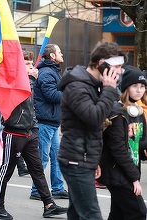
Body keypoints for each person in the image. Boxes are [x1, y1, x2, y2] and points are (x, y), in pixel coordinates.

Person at [0, 50, 68, 220]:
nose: (32, 67)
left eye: (32, 64)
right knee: (6, 170)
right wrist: (31, 78)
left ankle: (48, 204)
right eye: (27, 64)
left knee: (37, 169)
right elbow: (20, 97)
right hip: (14, 131)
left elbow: (32, 106)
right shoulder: (12, 82)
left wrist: (34, 128)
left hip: (29, 131)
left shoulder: (29, 81)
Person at [57, 41, 127, 220]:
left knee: (77, 214)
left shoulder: (92, 84)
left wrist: (94, 160)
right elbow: (94, 118)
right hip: (75, 161)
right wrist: (109, 90)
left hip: (83, 159)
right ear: (101, 63)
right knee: (92, 215)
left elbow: (92, 129)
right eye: (116, 66)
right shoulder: (77, 86)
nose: (119, 71)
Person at [98, 65, 147, 220]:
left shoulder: (139, 113)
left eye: (142, 86)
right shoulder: (118, 113)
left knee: (118, 215)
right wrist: (134, 178)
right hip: (117, 173)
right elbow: (118, 149)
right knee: (138, 212)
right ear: (126, 88)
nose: (139, 90)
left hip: (128, 171)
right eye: (135, 86)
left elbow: (139, 144)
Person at [30, 44, 68, 200]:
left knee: (56, 156)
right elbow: (51, 95)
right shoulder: (47, 72)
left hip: (52, 121)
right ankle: (35, 190)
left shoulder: (52, 71)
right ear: (52, 56)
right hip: (45, 122)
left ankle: (58, 188)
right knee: (42, 158)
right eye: (59, 52)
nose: (62, 54)